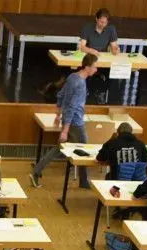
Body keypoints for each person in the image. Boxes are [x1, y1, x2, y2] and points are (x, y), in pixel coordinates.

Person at [30, 54, 97, 188]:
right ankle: (84, 182)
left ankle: (37, 171)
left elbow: (61, 96)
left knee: (60, 148)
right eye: (95, 67)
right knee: (84, 150)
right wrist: (65, 130)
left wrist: (58, 115)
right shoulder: (79, 84)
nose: (96, 70)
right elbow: (72, 107)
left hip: (69, 120)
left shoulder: (73, 77)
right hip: (75, 122)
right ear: (87, 67)